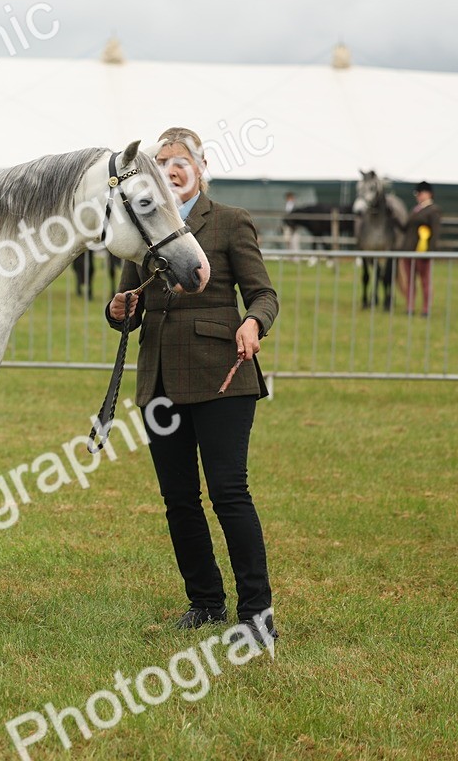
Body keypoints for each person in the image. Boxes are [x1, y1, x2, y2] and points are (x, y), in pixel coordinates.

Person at [106, 126, 280, 644]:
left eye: (180, 160)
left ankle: (256, 613)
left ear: (200, 169)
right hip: (158, 379)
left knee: (229, 494)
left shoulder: (229, 222)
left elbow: (263, 294)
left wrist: (254, 323)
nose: (171, 167)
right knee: (179, 499)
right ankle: (204, 602)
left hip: (221, 377)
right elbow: (127, 311)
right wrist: (118, 312)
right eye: (161, 162)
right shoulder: (143, 230)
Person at [403, 181, 441, 316]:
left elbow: (435, 233)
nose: (418, 196)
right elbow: (406, 227)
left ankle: (425, 309)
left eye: (421, 193)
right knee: (410, 281)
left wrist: (429, 252)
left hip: (422, 252)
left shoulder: (433, 210)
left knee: (424, 281)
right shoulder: (415, 209)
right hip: (408, 251)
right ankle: (410, 307)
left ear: (429, 194)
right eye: (417, 193)